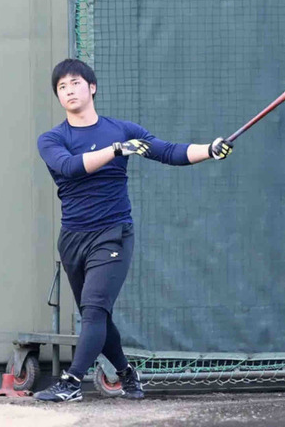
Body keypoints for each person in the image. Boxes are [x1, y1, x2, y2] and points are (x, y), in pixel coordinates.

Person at [34, 59, 233, 402]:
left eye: (75, 83)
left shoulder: (122, 130)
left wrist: (210, 151)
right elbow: (69, 168)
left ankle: (71, 383)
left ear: (92, 87)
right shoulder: (52, 138)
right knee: (96, 315)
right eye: (61, 87)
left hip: (113, 233)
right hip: (73, 238)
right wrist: (114, 151)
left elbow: (169, 151)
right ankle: (127, 374)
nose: (68, 90)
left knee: (94, 310)